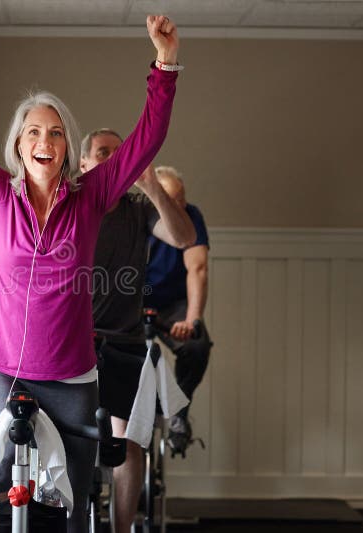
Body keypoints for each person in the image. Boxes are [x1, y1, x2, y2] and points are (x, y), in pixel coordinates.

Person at [0, 11, 181, 532]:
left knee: (74, 499)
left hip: (70, 374)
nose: (46, 139)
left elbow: (146, 139)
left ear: (66, 150)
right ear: (20, 144)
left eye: (57, 133)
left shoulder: (92, 199)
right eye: (35, 131)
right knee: (3, 489)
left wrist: (165, 64)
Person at [83, 129, 195, 533]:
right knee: (72, 440)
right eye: (102, 153)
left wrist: (151, 186)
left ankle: (121, 528)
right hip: (75, 343)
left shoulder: (138, 208)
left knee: (129, 442)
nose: (112, 159)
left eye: (119, 153)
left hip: (126, 342)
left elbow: (184, 237)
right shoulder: (74, 204)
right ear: (84, 165)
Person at [144, 165, 213, 456]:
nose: (180, 207)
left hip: (172, 303)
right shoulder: (139, 215)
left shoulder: (191, 216)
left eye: (182, 198)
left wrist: (192, 320)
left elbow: (197, 268)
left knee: (196, 346)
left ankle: (177, 413)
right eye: (172, 201)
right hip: (134, 300)